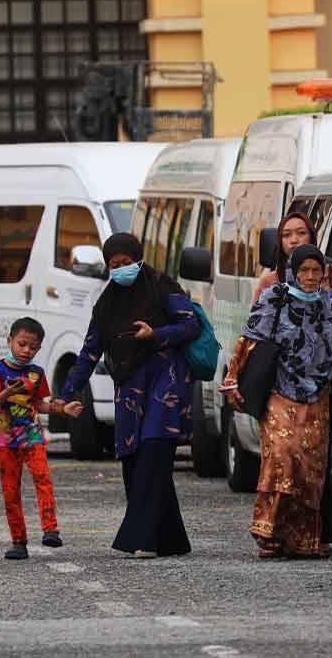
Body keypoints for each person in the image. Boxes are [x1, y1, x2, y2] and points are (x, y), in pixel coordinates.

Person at [56, 233, 201, 559]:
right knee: (134, 456)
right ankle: (171, 538)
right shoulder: (106, 303)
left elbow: (190, 326)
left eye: (126, 263)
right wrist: (67, 394)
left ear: (139, 258)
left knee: (153, 448)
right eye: (114, 265)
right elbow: (89, 352)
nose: (121, 269)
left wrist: (156, 335)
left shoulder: (163, 286)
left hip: (167, 380)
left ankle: (142, 538)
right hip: (130, 386)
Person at [223, 244, 332, 558]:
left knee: (309, 468)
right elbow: (249, 340)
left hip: (316, 395)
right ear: (292, 271)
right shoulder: (274, 299)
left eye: (316, 270)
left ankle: (303, 539)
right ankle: (270, 532)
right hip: (279, 390)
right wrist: (233, 377)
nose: (310, 276)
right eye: (304, 270)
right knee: (282, 455)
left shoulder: (327, 307)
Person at [0, 316, 83, 560]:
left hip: (32, 435)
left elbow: (39, 404)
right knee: (10, 490)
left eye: (33, 346)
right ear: (10, 341)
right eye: (22, 344)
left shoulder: (37, 374)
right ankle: (18, 542)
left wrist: (62, 409)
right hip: (6, 440)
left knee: (43, 478)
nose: (27, 350)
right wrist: (8, 391)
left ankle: (51, 530)